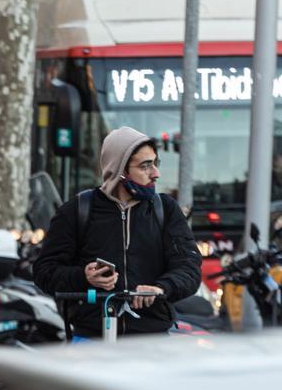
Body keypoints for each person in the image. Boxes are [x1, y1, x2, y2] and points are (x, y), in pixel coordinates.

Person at [33, 126, 202, 339]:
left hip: (152, 341)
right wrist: (84, 277)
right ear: (120, 170)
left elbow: (190, 268)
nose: (156, 173)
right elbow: (44, 272)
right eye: (145, 166)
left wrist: (161, 288)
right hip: (91, 341)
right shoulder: (76, 210)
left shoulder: (166, 210)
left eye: (155, 163)